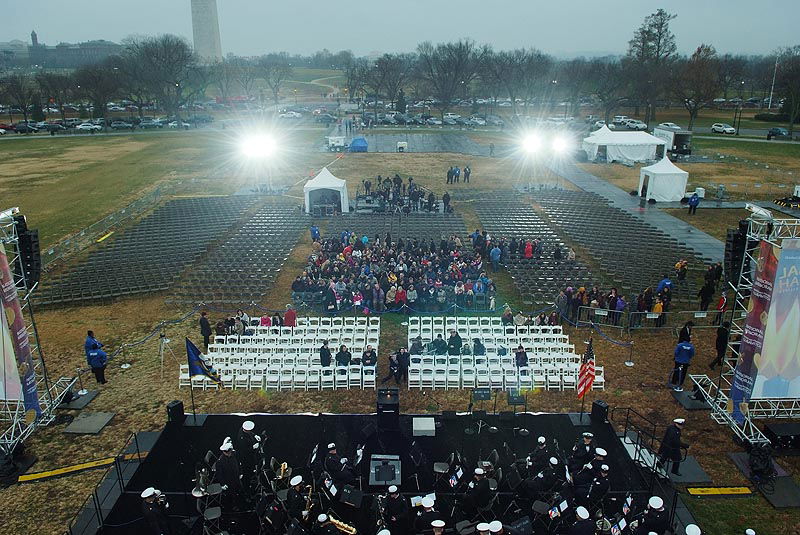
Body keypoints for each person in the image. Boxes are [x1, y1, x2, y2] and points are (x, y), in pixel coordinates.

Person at [215, 439, 243, 507]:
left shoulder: (234, 453)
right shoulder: (220, 462)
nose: (229, 454)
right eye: (227, 452)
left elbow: (238, 463)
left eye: (230, 452)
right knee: (231, 494)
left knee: (240, 489)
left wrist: (241, 472)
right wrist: (222, 484)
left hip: (236, 476)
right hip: (229, 480)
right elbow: (219, 474)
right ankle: (233, 506)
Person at [234, 421, 262, 487]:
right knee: (247, 472)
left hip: (250, 455)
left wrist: (255, 435)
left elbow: (250, 433)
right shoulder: (241, 438)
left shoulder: (243, 429)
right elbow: (244, 450)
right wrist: (253, 447)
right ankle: (247, 485)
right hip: (245, 458)